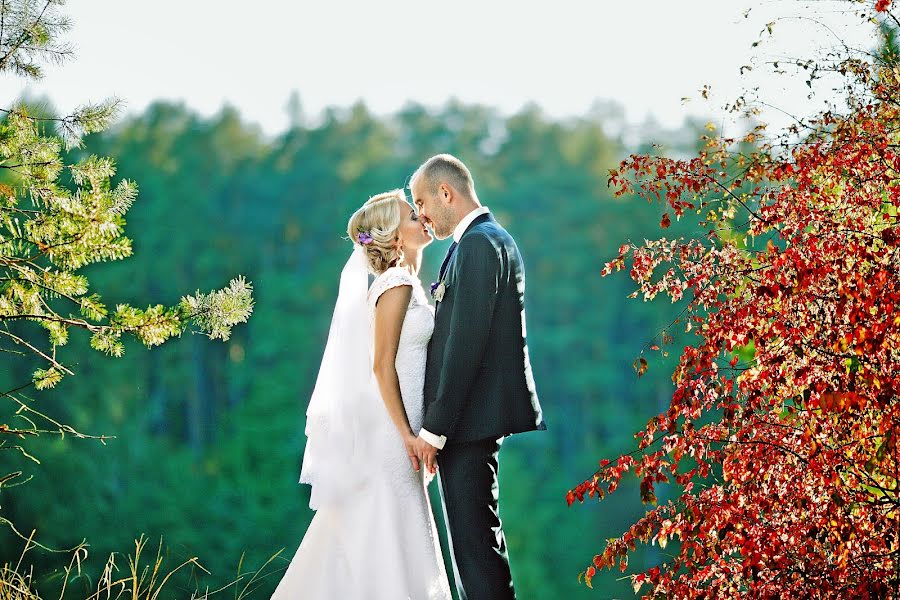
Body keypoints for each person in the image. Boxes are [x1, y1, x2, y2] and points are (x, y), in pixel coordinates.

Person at [270, 189, 452, 600]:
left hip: (396, 427)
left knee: (379, 526)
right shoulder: (397, 285)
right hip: (391, 432)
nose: (421, 218)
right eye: (412, 216)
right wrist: (408, 434)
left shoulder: (404, 280)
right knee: (384, 526)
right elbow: (381, 365)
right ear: (394, 236)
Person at [410, 154, 546, 600]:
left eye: (422, 202)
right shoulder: (485, 242)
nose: (422, 215)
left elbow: (464, 347)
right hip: (472, 422)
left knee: (476, 551)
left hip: (469, 424)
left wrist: (435, 429)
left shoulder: (479, 246)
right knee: (476, 548)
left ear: (445, 193)